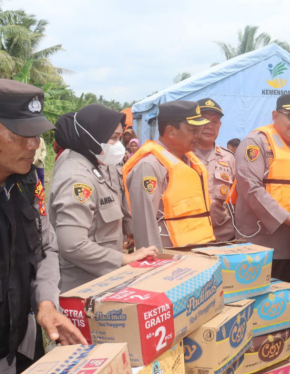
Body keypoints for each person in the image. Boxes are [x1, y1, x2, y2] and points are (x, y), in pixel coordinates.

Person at [0, 80, 86, 374]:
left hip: (14, 349)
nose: (34, 144)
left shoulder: (25, 184)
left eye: (36, 134)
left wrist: (46, 302)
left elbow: (46, 248)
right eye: (22, 133)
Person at [49, 104, 159, 292]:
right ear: (90, 137)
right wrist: (126, 259)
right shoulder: (77, 178)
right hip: (82, 287)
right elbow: (72, 245)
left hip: (104, 279)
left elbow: (115, 199)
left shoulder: (100, 162)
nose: (118, 145)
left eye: (119, 138)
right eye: (113, 138)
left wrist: (129, 230)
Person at [230, 94, 290, 285]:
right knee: (259, 306)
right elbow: (251, 188)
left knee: (289, 301)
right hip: (261, 244)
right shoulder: (256, 142)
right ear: (274, 115)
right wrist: (289, 220)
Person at [123, 101, 215, 251]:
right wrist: (154, 263)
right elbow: (145, 226)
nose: (198, 135)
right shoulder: (150, 166)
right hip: (170, 259)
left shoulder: (191, 161)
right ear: (171, 131)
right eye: (193, 130)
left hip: (200, 253)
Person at [192, 98, 236, 243]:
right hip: (189, 237)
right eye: (204, 120)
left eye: (214, 121)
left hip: (223, 237)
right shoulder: (182, 156)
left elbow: (238, 199)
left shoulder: (229, 158)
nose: (209, 126)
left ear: (220, 125)